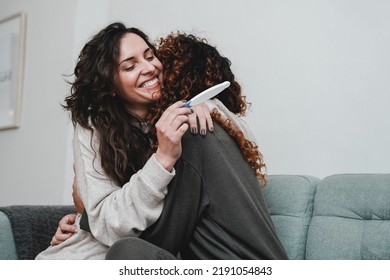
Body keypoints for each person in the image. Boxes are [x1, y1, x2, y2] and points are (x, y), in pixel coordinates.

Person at [35, 23, 214, 260]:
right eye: (130, 66)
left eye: (150, 57)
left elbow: (242, 156)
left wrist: (209, 106)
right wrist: (162, 160)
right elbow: (108, 223)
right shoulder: (92, 130)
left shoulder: (181, 110)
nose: (149, 68)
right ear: (110, 85)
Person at [104, 32, 288, 259]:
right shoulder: (217, 134)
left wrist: (90, 224)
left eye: (158, 67)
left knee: (127, 251)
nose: (151, 72)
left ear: (173, 86)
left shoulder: (194, 135)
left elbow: (159, 238)